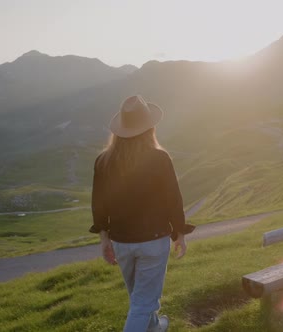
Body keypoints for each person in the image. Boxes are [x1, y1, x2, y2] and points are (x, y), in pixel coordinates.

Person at [90, 95, 195, 332]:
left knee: (139, 297)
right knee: (142, 301)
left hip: (121, 242)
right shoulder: (159, 158)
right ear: (150, 128)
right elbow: (173, 198)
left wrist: (105, 237)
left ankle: (155, 326)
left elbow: (99, 204)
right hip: (153, 241)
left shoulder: (103, 161)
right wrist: (180, 232)